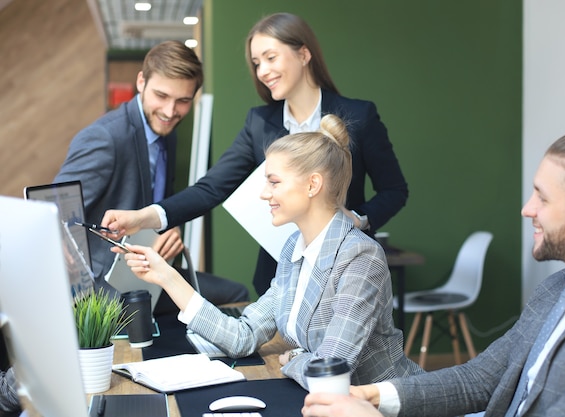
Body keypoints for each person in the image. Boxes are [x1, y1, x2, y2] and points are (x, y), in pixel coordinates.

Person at [302, 130, 565, 417]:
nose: (527, 209)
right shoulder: (557, 288)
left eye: (542, 197)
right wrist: (373, 396)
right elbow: (480, 379)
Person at [100, 12, 408, 296]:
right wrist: (144, 217)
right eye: (257, 63)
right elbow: (211, 189)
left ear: (303, 53)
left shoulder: (359, 116)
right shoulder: (259, 124)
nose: (263, 71)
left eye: (270, 57)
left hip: (344, 273)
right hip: (278, 280)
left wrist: (356, 219)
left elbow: (394, 191)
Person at [115, 114, 423, 389]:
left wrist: (296, 358)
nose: (264, 194)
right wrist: (167, 276)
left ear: (313, 184)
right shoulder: (293, 249)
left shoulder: (359, 257)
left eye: (273, 182)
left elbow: (331, 373)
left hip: (388, 406)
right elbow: (243, 336)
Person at [54, 40, 248, 308]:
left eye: (183, 101)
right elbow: (53, 209)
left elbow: (157, 203)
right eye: (162, 96)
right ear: (141, 81)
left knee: (234, 294)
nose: (170, 111)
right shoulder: (105, 137)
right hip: (106, 291)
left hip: (148, 273)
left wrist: (169, 228)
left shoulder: (165, 132)